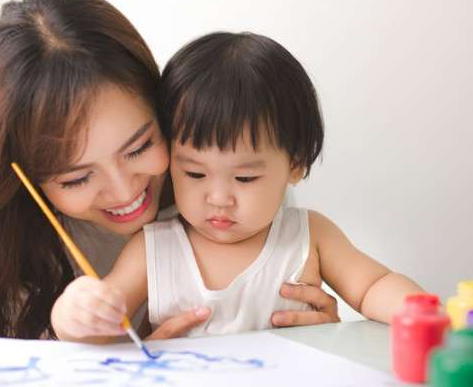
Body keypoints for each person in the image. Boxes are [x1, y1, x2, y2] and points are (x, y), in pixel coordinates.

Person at [0, 0, 340, 340]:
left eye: (139, 147)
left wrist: (316, 331)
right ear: (22, 178)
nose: (125, 191)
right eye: (77, 177)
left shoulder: (229, 188)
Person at [52, 31, 424, 342]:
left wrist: (425, 314)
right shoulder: (153, 248)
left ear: (295, 165)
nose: (218, 198)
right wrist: (76, 314)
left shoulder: (309, 236)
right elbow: (102, 323)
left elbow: (373, 286)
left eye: (245, 178)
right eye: (194, 174)